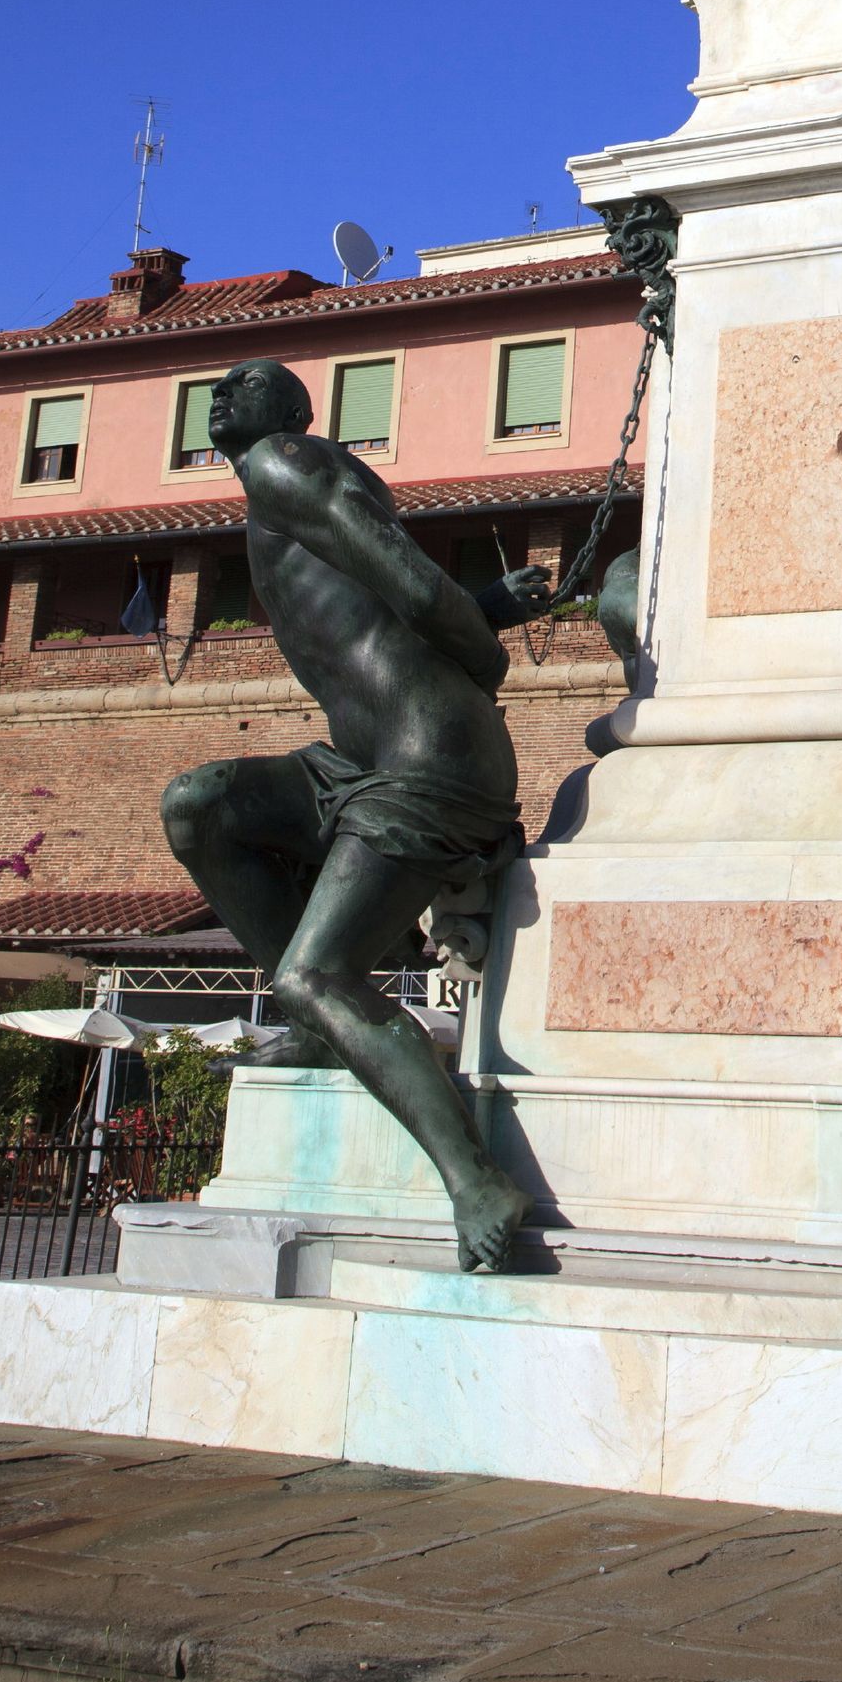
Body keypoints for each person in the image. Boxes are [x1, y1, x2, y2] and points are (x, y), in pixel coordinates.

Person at [160, 358, 548, 1272]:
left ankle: (475, 1180)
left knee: (314, 974)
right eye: (218, 385)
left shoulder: (285, 462)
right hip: (359, 762)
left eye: (247, 382)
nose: (223, 393)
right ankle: (316, 1030)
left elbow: (413, 588)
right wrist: (486, 609)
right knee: (201, 806)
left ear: (293, 409)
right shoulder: (284, 482)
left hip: (427, 758)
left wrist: (480, 663)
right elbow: (382, 603)